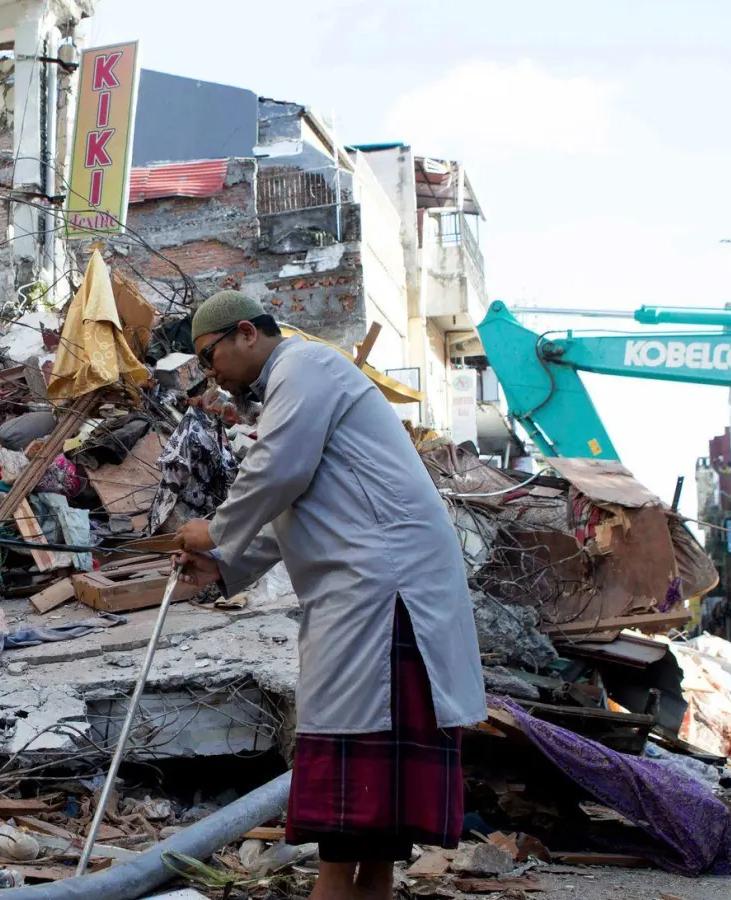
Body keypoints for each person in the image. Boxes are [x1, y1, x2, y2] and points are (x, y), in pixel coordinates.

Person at [172, 291, 485, 900]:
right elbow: (294, 499)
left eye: (210, 357)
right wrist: (223, 565)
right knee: (372, 841)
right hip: (371, 581)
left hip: (384, 587)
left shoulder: (304, 368)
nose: (212, 374)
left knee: (350, 824)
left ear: (245, 334)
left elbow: (280, 470)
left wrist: (214, 530)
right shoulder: (301, 383)